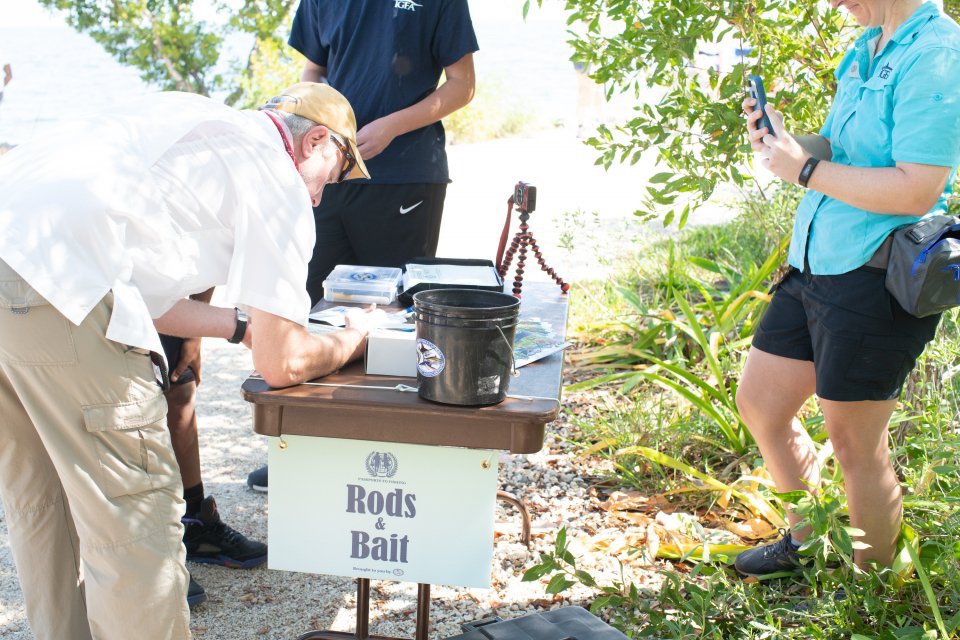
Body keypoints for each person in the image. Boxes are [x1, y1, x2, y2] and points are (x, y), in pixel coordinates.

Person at [0, 81, 374, 639]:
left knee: (44, 503)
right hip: (69, 286)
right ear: (316, 140)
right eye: (335, 174)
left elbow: (150, 298)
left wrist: (239, 327)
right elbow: (284, 363)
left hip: (21, 253)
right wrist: (356, 340)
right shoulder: (276, 177)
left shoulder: (193, 128)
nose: (322, 197)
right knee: (135, 524)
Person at [734, 0, 960, 577]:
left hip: (876, 277)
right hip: (816, 261)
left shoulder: (937, 55)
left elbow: (916, 189)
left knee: (857, 444)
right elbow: (843, 149)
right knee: (761, 404)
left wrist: (802, 173)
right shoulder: (870, 44)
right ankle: (811, 543)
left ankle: (872, 589)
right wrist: (790, 145)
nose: (833, 2)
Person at [246, 0, 479, 493]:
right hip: (325, 171)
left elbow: (462, 86)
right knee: (308, 309)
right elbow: (313, 77)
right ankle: (303, 445)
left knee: (392, 314)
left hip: (405, 175)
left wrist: (393, 125)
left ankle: (387, 447)